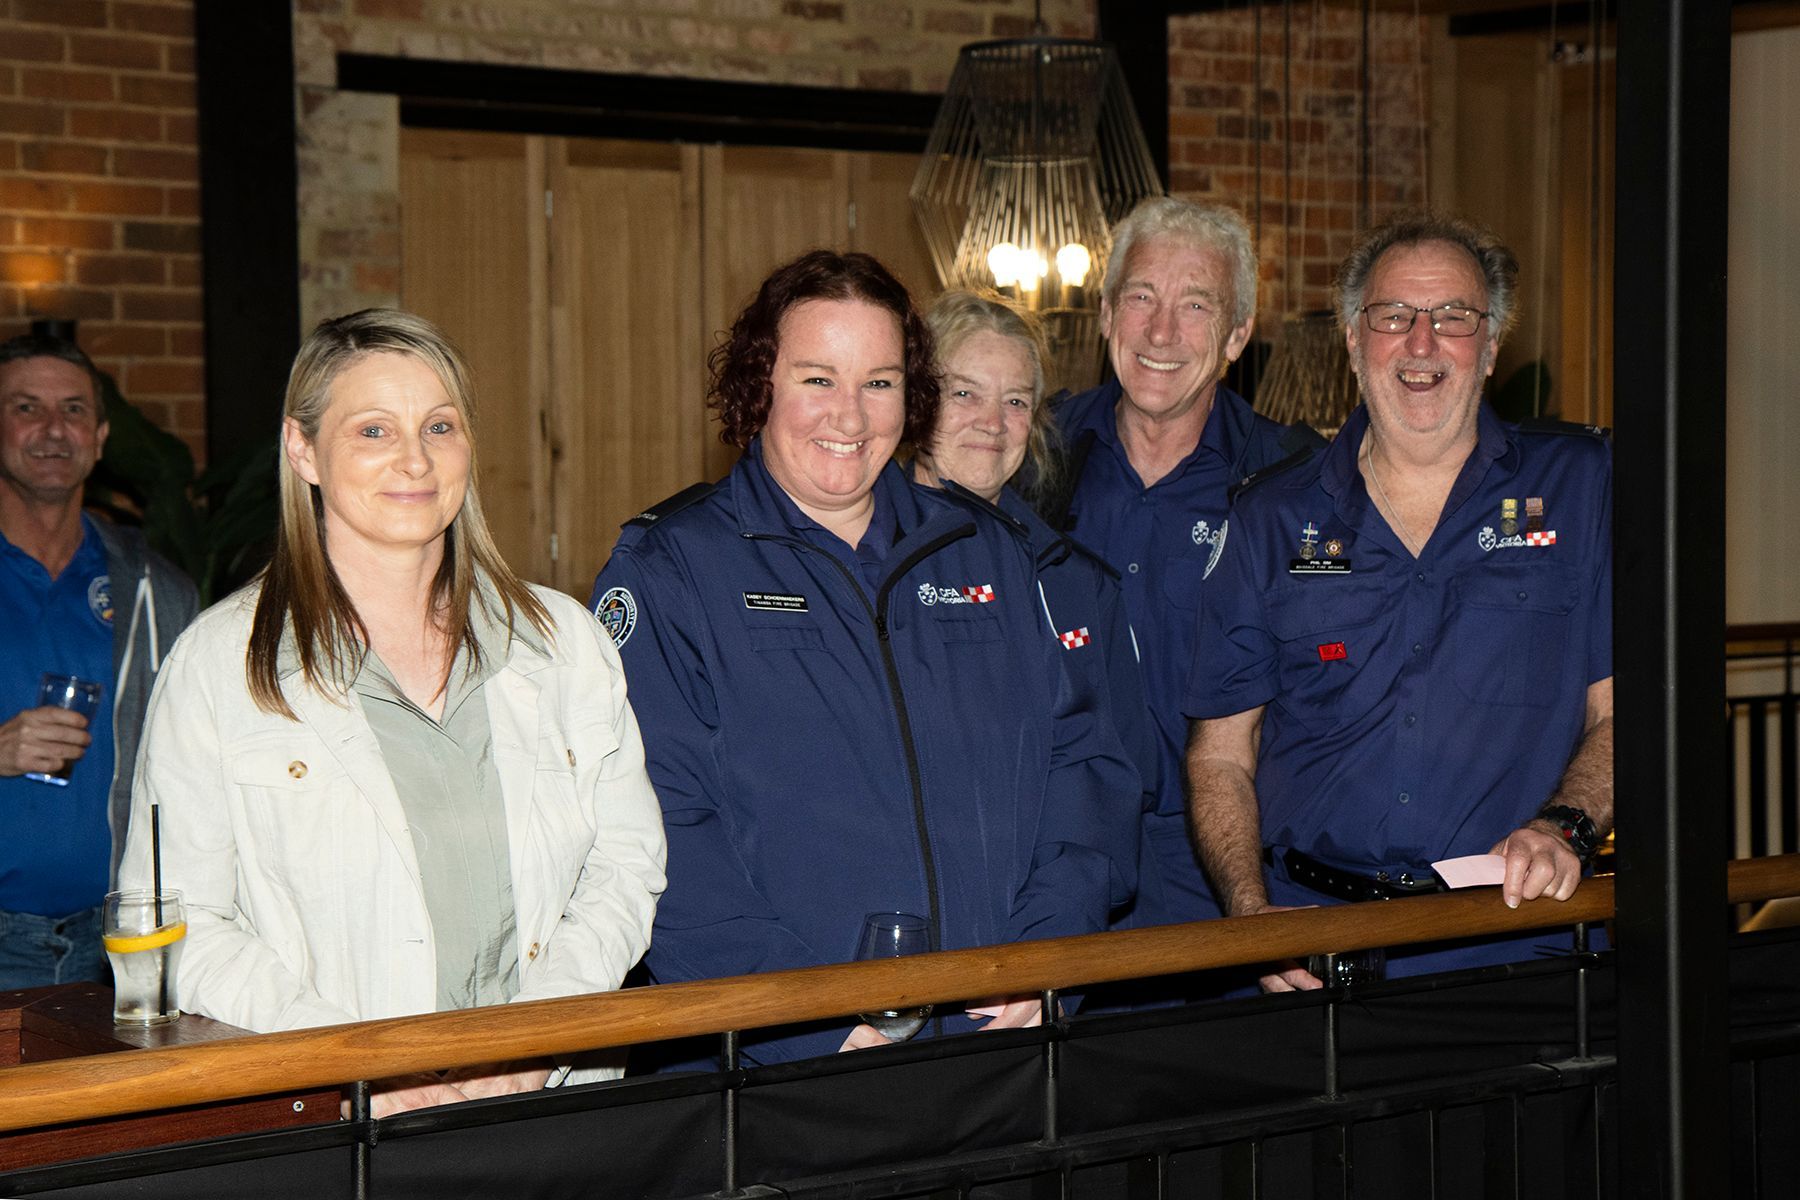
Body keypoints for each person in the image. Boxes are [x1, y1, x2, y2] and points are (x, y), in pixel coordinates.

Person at [590, 251, 1137, 1066]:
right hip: (785, 1063)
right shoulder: (673, 568)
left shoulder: (985, 550)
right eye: (818, 379)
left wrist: (1047, 957)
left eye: (878, 382)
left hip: (1003, 1038)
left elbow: (1084, 765)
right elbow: (656, 824)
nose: (849, 416)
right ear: (759, 385)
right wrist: (801, 1017)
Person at [118, 309, 667, 1114]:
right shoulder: (218, 666)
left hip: (554, 1103)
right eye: (373, 430)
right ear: (303, 450)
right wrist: (366, 1067)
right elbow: (182, 923)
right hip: (344, 1124)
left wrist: (538, 1038)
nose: (415, 458)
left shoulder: (564, 642)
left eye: (438, 426)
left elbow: (626, 864)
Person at [1184, 211, 1613, 988]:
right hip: (1317, 949)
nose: (1422, 343)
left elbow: (1628, 709)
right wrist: (1249, 916)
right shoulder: (1269, 517)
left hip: (1515, 944)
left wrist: (1567, 828)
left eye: (1453, 318)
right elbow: (1220, 753)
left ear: (1490, 346)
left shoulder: (1581, 487)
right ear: (1354, 339)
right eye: (1394, 317)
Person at [1049, 197, 1322, 930]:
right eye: (1140, 296)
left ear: (1238, 335)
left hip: (1233, 870)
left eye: (1195, 305)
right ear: (1105, 313)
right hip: (1059, 866)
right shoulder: (1031, 459)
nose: (1160, 331)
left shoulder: (1296, 485)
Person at [910, 290, 1157, 913]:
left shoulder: (1076, 585)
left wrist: (1049, 947)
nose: (992, 422)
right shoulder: (850, 564)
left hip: (1037, 948)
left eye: (1016, 401)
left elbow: (1109, 787)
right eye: (964, 393)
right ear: (915, 401)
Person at [0, 334, 196, 990]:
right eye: (27, 408)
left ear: (101, 435)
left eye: (75, 410)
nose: (54, 429)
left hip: (118, 945)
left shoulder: (154, 588)